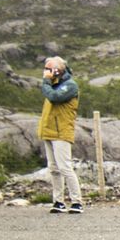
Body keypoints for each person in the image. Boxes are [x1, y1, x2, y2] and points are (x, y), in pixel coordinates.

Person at [38, 56, 84, 215]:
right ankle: (58, 201)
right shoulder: (53, 85)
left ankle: (77, 201)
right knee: (53, 168)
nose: (46, 72)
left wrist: (46, 82)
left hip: (61, 132)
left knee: (65, 167)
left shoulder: (70, 86)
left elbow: (55, 97)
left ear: (57, 70)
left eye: (49, 69)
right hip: (49, 131)